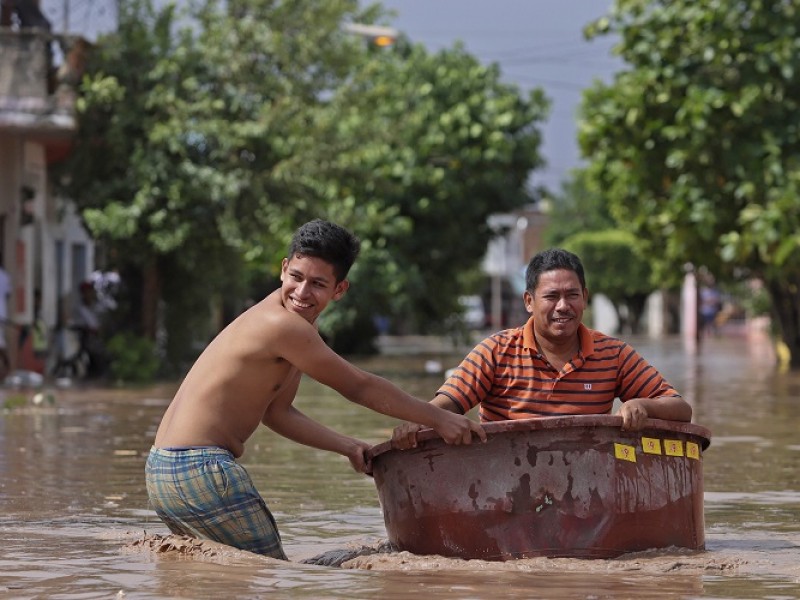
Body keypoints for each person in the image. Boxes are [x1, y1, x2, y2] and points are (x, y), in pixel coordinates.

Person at [146, 219, 486, 559]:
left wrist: (348, 446)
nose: (302, 292)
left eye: (318, 284)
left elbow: (277, 413)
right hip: (199, 469)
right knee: (270, 574)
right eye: (296, 277)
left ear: (340, 289)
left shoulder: (289, 325)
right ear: (283, 269)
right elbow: (358, 386)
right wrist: (439, 419)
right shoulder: (283, 326)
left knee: (227, 582)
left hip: (165, 470)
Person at [393, 247, 692, 449]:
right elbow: (445, 407)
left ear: (585, 298)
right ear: (529, 302)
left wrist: (642, 406)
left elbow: (681, 409)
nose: (563, 306)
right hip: (506, 486)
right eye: (551, 297)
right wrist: (415, 423)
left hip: (587, 486)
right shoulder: (495, 351)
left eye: (572, 295)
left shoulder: (613, 354)